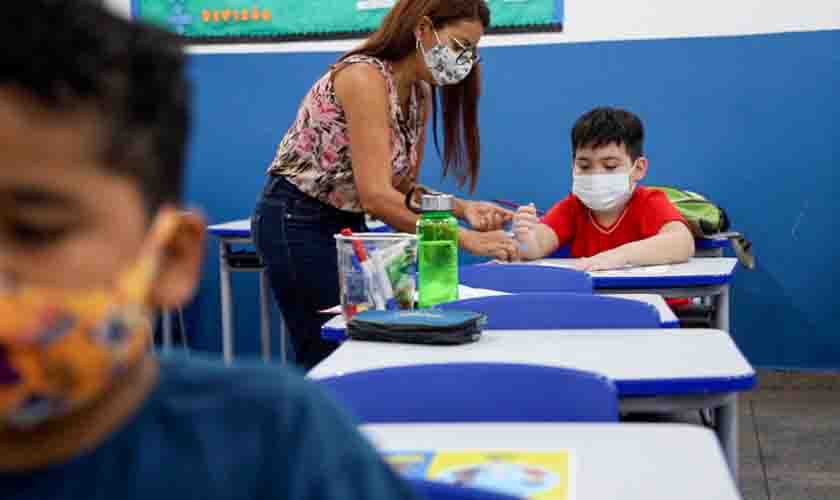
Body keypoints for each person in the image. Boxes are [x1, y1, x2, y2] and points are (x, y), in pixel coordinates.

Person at [0, 2, 417, 499]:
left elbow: (390, 188)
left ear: (170, 259)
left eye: (34, 230)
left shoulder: (279, 445)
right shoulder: (363, 77)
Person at [254, 0, 519, 370]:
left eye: (473, 51)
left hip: (343, 222)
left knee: (365, 346)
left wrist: (462, 208)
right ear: (423, 29)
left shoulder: (419, 94)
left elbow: (400, 185)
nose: (465, 61)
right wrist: (464, 237)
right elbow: (377, 198)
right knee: (330, 352)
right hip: (295, 218)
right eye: (460, 46)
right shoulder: (364, 77)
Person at [512, 107, 695, 270]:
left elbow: (683, 243)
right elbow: (536, 247)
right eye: (584, 166)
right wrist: (525, 238)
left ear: (638, 169)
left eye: (610, 166)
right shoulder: (572, 208)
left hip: (660, 303)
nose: (595, 175)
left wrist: (620, 256)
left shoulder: (649, 202)